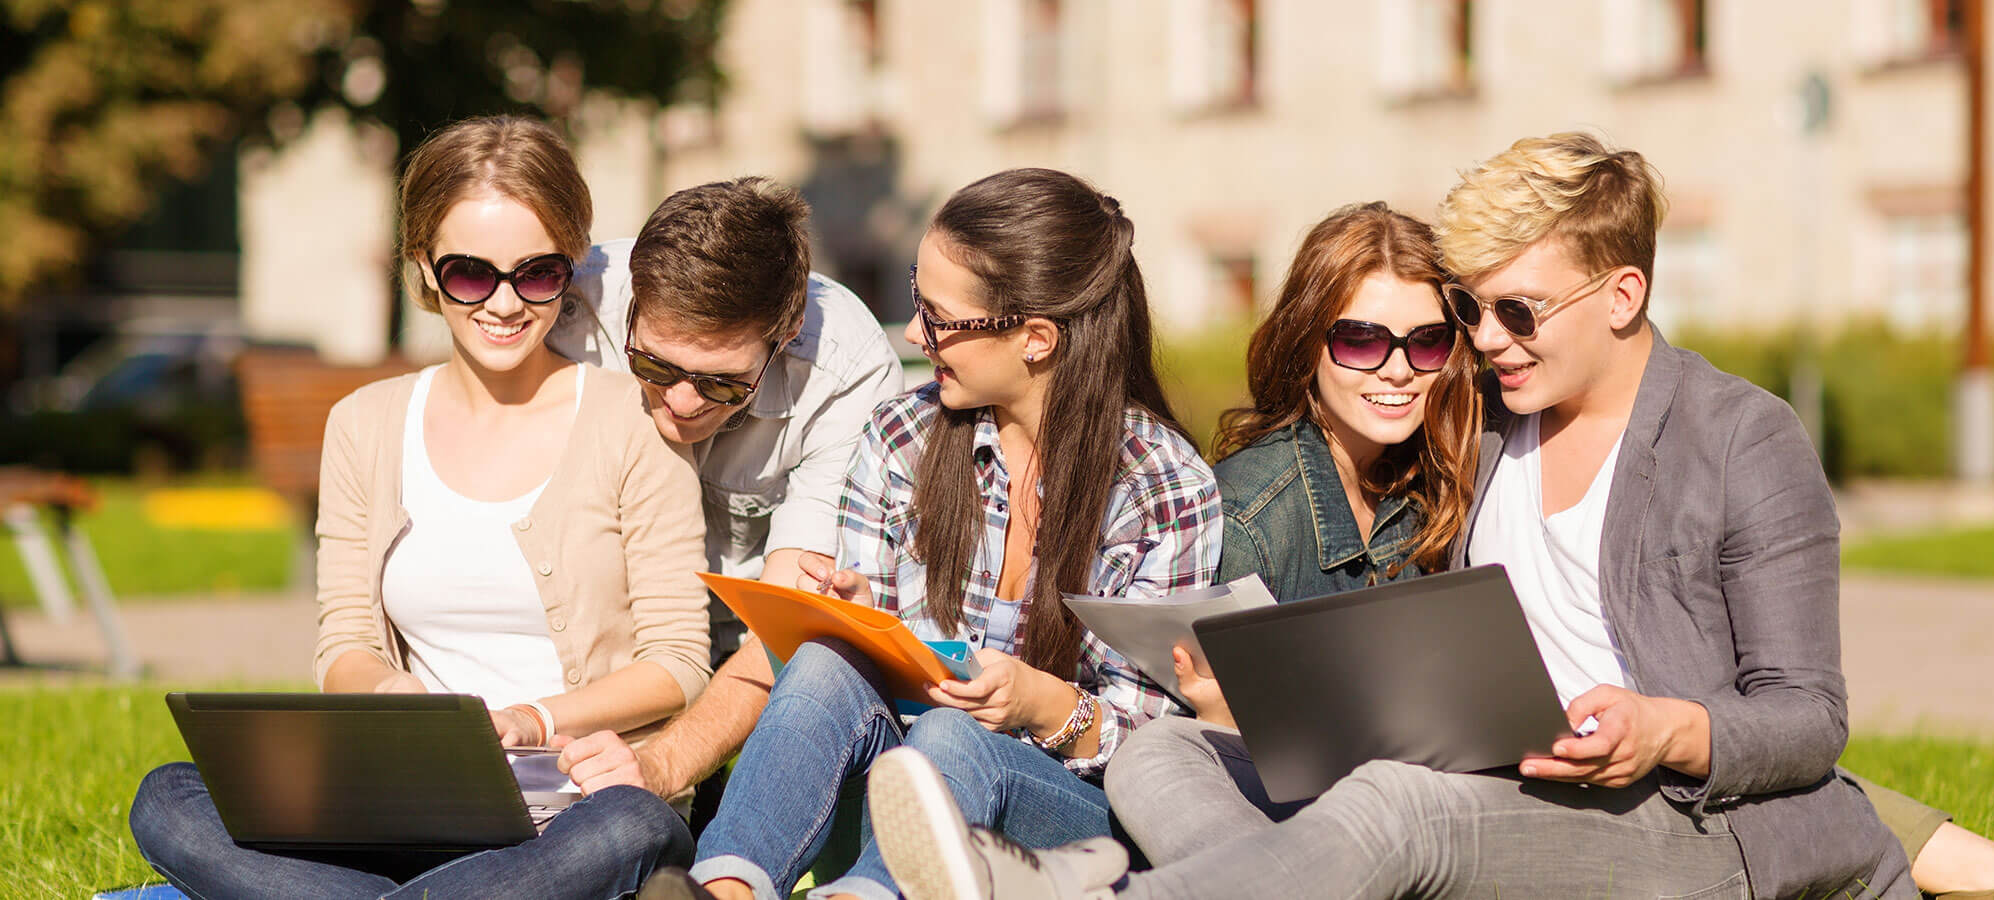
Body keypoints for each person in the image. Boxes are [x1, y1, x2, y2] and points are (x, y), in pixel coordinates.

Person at [862, 132, 1935, 900]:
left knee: (1393, 811)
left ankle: (1095, 893)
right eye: (1472, 310)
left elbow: (1808, 716)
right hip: (1484, 779)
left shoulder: (1742, 439)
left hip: (1679, 824)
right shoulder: (1488, 432)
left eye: (1517, 311)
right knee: (1161, 758)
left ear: (1623, 295)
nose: (1486, 339)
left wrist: (1668, 728)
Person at [127, 116, 707, 900]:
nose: (505, 304)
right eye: (471, 274)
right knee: (167, 797)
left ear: (570, 268)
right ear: (425, 269)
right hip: (403, 815)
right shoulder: (365, 425)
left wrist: (538, 718)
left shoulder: (632, 421)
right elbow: (346, 645)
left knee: (634, 829)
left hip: (579, 810)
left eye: (536, 274)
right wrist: (393, 699)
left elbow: (676, 663)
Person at [638, 167, 1222, 900]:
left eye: (939, 318)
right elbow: (879, 676)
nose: (915, 332)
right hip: (904, 776)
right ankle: (724, 890)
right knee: (822, 662)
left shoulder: (1161, 488)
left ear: (1036, 339)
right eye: (918, 295)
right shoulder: (902, 434)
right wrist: (855, 621)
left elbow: (1158, 751)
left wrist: (1039, 703)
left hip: (1075, 817)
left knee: (958, 738)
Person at [1101, 201, 1480, 860]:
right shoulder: (1248, 516)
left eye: (1426, 342)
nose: (1397, 369)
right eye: (1361, 340)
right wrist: (1225, 722)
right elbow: (1191, 756)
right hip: (1283, 831)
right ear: (1308, 342)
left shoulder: (1439, 480)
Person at [542, 176, 904, 802]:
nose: (680, 403)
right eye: (653, 365)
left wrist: (662, 767)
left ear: (786, 333)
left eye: (722, 383)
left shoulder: (849, 371)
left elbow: (792, 622)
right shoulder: (567, 302)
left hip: (746, 655)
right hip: (589, 637)